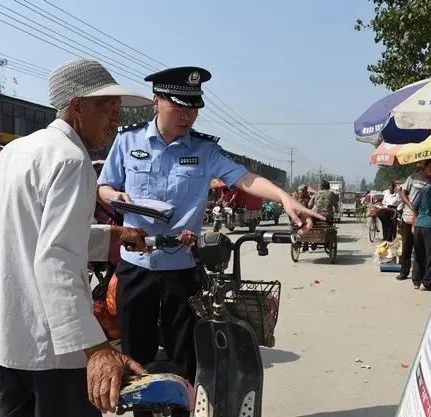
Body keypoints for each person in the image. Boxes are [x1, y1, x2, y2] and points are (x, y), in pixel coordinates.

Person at [0, 59, 156, 416]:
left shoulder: (17, 151)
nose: (115, 122)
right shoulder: (72, 160)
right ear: (77, 107)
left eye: (118, 111)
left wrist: (111, 234)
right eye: (108, 108)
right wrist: (96, 348)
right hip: (48, 342)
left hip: (2, 330)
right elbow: (55, 256)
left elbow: (28, 232)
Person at [96, 66, 320, 398]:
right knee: (135, 353)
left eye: (194, 108)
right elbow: (105, 185)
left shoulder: (205, 150)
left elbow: (245, 179)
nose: (188, 116)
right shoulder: (127, 140)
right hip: (136, 267)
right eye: (179, 106)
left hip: (182, 268)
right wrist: (114, 196)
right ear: (156, 101)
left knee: (185, 355)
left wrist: (285, 198)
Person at [396, 158, 431, 282]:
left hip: (423, 217)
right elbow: (403, 193)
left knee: (420, 248)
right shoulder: (413, 177)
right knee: (406, 245)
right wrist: (409, 204)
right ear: (424, 166)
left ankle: (420, 274)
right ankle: (404, 271)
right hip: (409, 214)